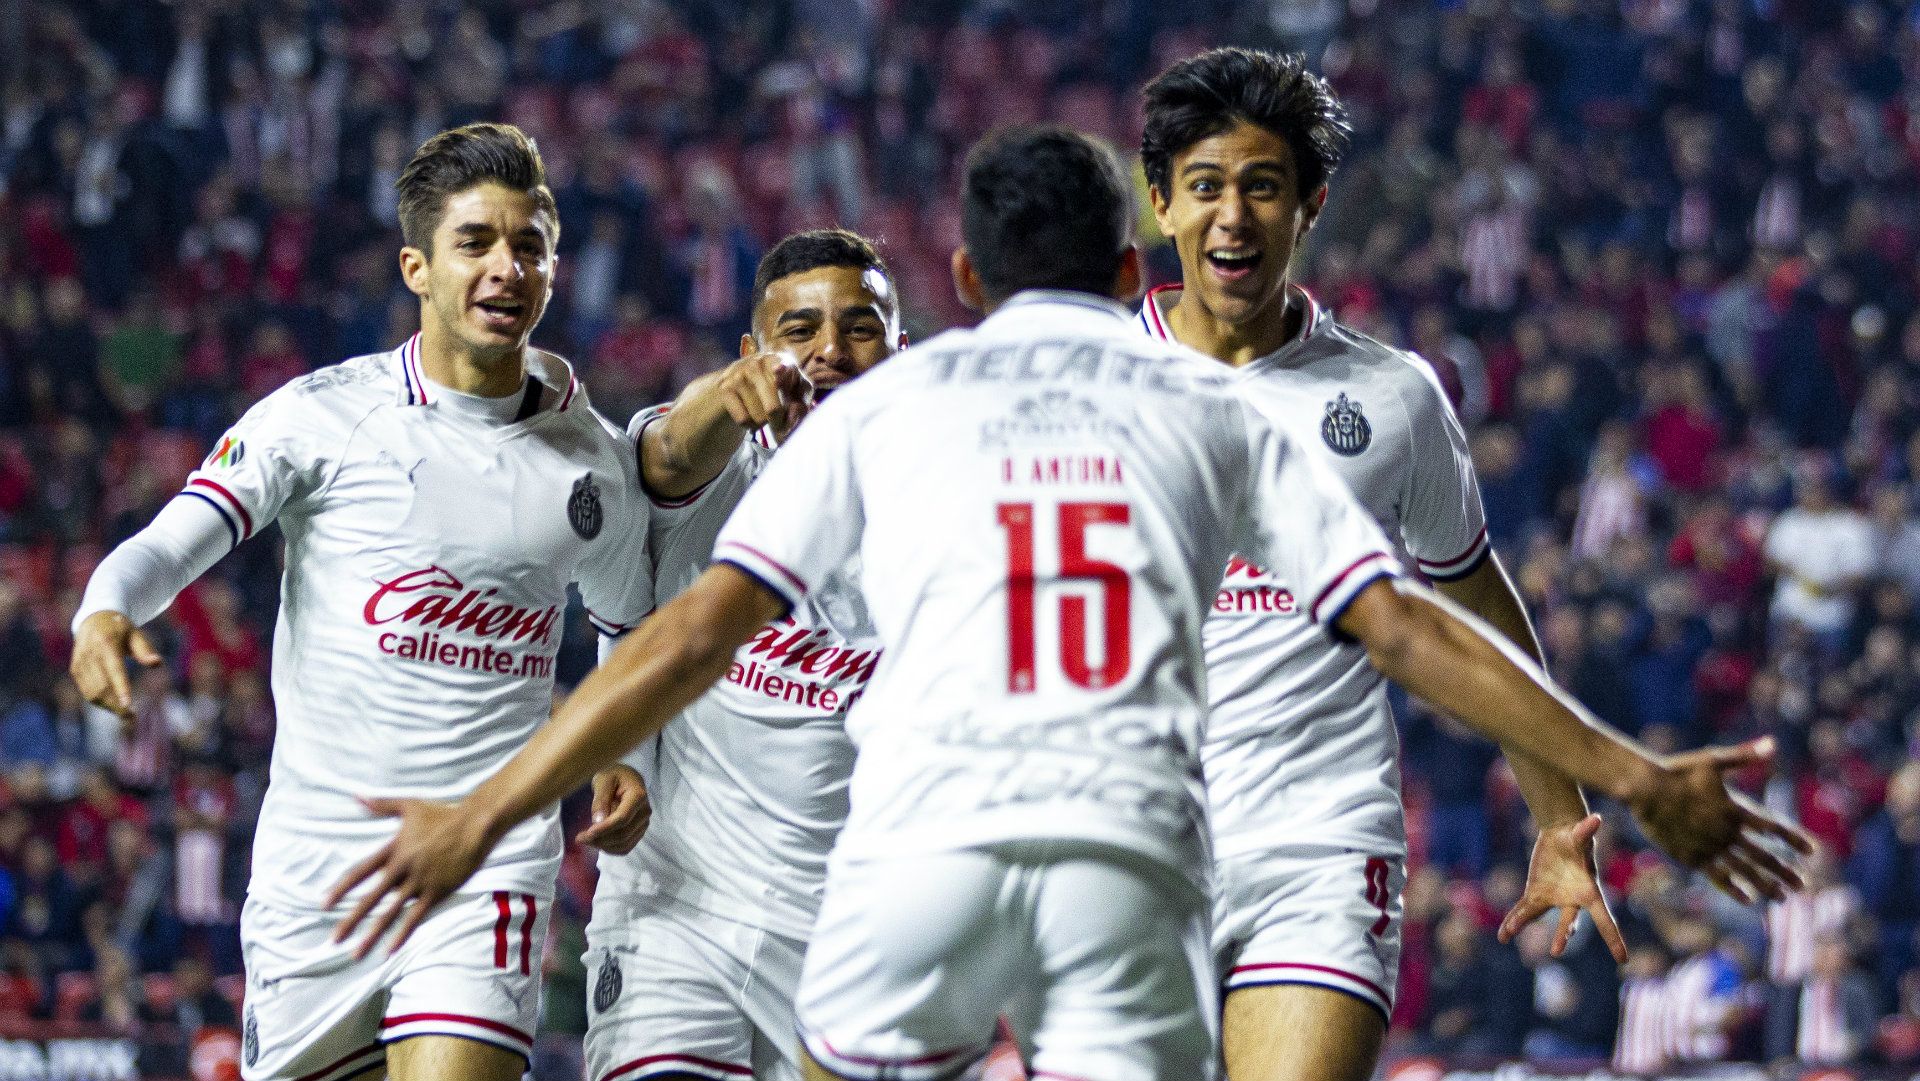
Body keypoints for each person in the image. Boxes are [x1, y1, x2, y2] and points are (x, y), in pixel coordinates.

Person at [328, 125, 1810, 1081]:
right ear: (1129, 266)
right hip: (1123, 856)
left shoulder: (888, 408)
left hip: (924, 858)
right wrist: (1623, 776)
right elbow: (1410, 626)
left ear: (964, 277)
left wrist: (486, 808)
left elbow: (688, 633)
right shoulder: (1208, 408)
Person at [67, 122, 655, 1081]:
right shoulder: (323, 416)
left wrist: (625, 753)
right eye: (476, 243)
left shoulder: (592, 459)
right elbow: (174, 539)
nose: (507, 268)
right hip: (317, 876)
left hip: (486, 864)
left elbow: (628, 624)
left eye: (529, 245)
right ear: (416, 267)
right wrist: (104, 608)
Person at [1137, 48, 1629, 1081]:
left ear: (1309, 206)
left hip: (1319, 841)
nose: (1234, 216)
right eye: (1206, 186)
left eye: (1264, 186)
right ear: (1162, 202)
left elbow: (1479, 606)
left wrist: (1558, 816)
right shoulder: (1083, 386)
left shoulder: (1392, 398)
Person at [585, 228, 903, 1081]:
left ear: (900, 352)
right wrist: (725, 401)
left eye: (860, 327)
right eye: (799, 330)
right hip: (677, 911)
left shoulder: (941, 510)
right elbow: (666, 455)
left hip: (857, 935)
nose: (829, 349)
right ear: (751, 354)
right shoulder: (712, 475)